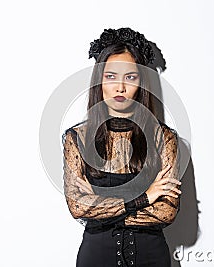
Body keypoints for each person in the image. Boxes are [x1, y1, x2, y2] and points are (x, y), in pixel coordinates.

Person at [62, 27, 185, 267]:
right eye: (111, 76)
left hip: (152, 258)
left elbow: (166, 212)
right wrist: (145, 198)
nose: (120, 87)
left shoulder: (164, 138)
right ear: (100, 80)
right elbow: (78, 207)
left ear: (141, 82)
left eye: (130, 77)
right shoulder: (76, 139)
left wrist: (100, 208)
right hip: (96, 259)